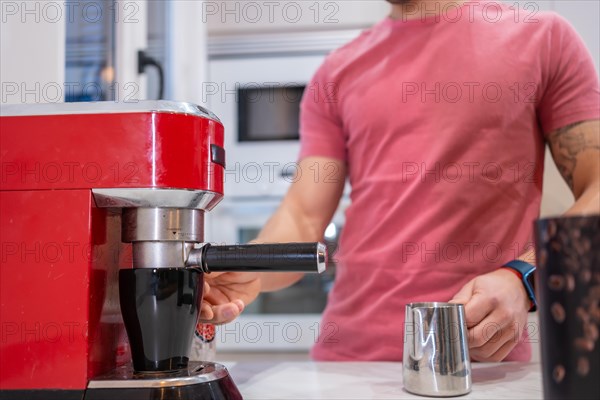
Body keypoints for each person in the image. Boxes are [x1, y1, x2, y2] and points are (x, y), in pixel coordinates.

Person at [199, 0, 600, 362]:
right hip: (346, 362)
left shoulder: (543, 39)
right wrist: (248, 268)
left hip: (476, 361)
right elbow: (303, 216)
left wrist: (524, 277)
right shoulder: (337, 71)